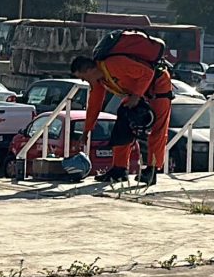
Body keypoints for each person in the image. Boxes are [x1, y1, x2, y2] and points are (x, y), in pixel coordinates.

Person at [69, 49, 175, 185]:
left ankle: (152, 170)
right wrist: (86, 131)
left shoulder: (114, 64)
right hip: (138, 92)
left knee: (158, 130)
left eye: (83, 77)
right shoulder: (100, 80)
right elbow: (94, 105)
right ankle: (119, 170)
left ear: (89, 70)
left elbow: (148, 73)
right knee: (121, 127)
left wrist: (136, 96)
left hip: (158, 86)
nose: (84, 81)